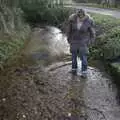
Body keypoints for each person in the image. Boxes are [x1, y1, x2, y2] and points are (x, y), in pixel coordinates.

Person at [66, 9, 96, 78]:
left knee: (84, 58)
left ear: (85, 14)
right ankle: (74, 70)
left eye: (82, 14)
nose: (81, 16)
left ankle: (84, 72)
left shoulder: (89, 21)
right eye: (79, 14)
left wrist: (90, 42)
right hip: (74, 42)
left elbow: (93, 33)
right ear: (77, 14)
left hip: (83, 43)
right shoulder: (72, 19)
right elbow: (68, 30)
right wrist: (69, 39)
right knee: (73, 57)